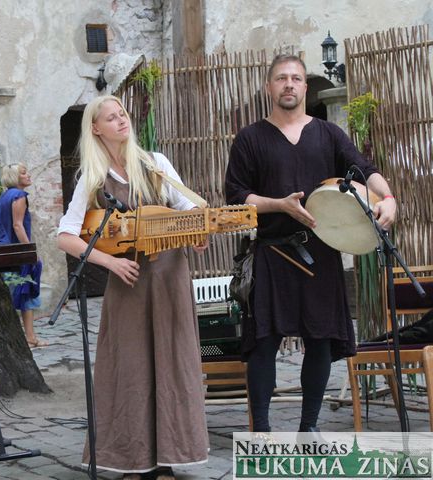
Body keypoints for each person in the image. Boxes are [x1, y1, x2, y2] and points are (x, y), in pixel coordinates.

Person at [224, 54, 397, 434]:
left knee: (320, 340)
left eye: (296, 78)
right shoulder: (250, 138)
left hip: (320, 251)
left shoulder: (328, 134)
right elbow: (236, 196)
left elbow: (364, 170)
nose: (289, 84)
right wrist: (279, 205)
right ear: (269, 87)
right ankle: (262, 431)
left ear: (305, 86)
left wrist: (388, 199)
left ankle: (308, 427)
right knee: (264, 342)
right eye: (281, 78)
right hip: (271, 252)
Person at [57, 95, 209, 479]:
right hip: (129, 285)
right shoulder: (93, 179)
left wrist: (198, 231)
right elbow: (66, 236)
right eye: (111, 117)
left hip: (170, 280)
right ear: (96, 129)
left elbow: (188, 209)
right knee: (131, 370)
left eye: (122, 114)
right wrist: (110, 262)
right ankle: (131, 461)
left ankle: (167, 461)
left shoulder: (155, 164)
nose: (121, 120)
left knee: (172, 367)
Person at [0, 163, 47, 348]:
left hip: (4, 249)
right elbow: (17, 225)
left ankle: (30, 337)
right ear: (15, 177)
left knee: (21, 292)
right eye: (24, 173)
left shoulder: (3, 197)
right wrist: (30, 250)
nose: (28, 175)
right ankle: (28, 338)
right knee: (24, 291)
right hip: (15, 251)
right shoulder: (19, 196)